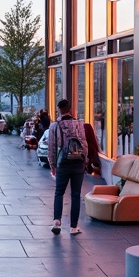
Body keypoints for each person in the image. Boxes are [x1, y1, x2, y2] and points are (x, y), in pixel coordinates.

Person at [46, 98, 89, 236]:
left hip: (62, 163)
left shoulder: (55, 126)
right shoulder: (79, 124)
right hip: (78, 163)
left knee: (59, 192)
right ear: (70, 109)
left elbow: (52, 147)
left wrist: (52, 165)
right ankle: (73, 227)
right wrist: (85, 160)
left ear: (59, 109)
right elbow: (84, 144)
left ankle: (57, 222)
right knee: (76, 194)